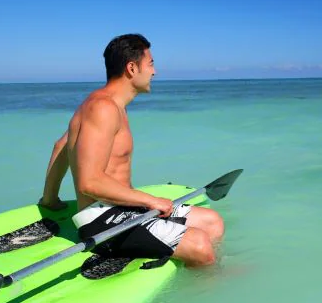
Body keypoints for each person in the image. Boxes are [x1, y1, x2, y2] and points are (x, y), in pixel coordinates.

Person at [38, 33, 224, 267]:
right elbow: (90, 182)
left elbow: (62, 146)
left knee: (212, 222)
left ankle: (196, 270)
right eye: (151, 64)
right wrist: (150, 200)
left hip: (122, 207)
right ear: (132, 68)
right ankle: (205, 280)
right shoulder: (102, 108)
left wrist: (50, 200)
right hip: (101, 218)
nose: (154, 72)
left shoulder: (111, 105)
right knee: (200, 245)